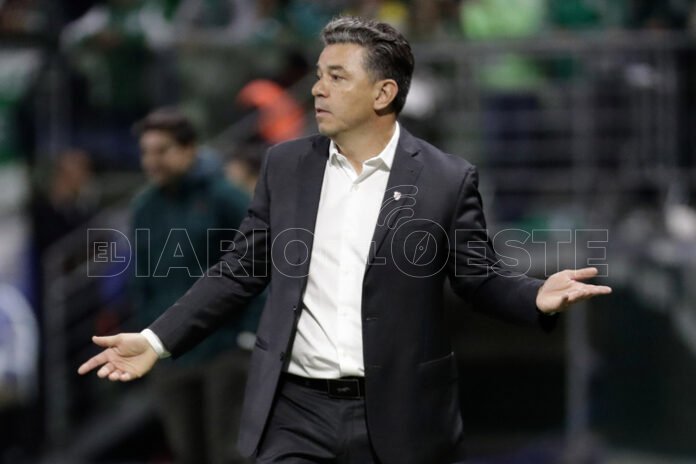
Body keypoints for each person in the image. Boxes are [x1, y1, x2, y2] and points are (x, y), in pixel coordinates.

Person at [79, 17, 612, 464]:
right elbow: (238, 271)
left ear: (384, 93)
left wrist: (533, 296)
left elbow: (478, 277)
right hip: (294, 413)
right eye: (319, 75)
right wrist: (155, 340)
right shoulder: (285, 166)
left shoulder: (447, 179)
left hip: (399, 416)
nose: (317, 89)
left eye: (336, 77)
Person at [130, 108, 259, 464]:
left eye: (162, 150)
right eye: (146, 152)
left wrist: (248, 334)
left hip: (224, 350)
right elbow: (141, 277)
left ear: (189, 150)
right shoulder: (144, 208)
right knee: (187, 452)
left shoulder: (225, 197)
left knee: (229, 454)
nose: (151, 161)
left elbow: (262, 262)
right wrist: (147, 333)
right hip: (169, 354)